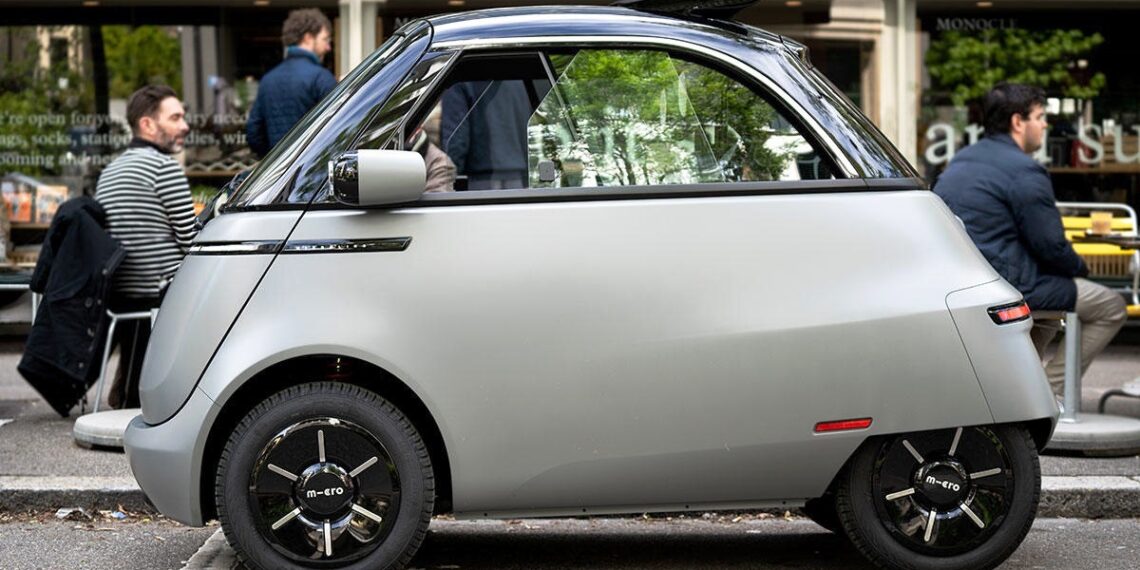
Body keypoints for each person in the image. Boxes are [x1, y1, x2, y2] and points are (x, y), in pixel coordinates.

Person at [933, 83, 1126, 397]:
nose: (1045, 125)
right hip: (1013, 285)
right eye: (1039, 116)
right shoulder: (1024, 171)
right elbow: (1051, 246)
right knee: (1111, 306)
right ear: (1018, 122)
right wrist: (1080, 269)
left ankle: (1022, 391)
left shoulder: (960, 161)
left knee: (1048, 312)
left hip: (967, 283)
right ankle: (1050, 392)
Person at [94, 84, 198, 408]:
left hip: (120, 295)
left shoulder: (109, 171)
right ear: (147, 124)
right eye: (175, 117)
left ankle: (128, 385)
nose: (185, 125)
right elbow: (191, 242)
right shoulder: (164, 168)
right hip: (160, 294)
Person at [246, 8, 336, 158]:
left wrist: (275, 160)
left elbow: (253, 133)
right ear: (308, 38)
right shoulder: (321, 78)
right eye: (325, 39)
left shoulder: (268, 80)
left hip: (279, 169)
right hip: (313, 167)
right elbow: (338, 129)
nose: (328, 47)